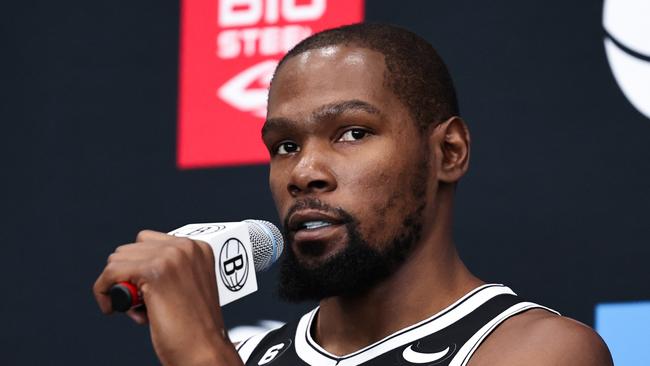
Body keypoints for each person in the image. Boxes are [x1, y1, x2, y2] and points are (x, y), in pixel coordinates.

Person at [94, 23, 613, 365]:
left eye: (352, 133)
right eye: (286, 145)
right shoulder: (251, 357)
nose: (304, 172)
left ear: (449, 152)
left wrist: (205, 355)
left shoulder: (536, 352)